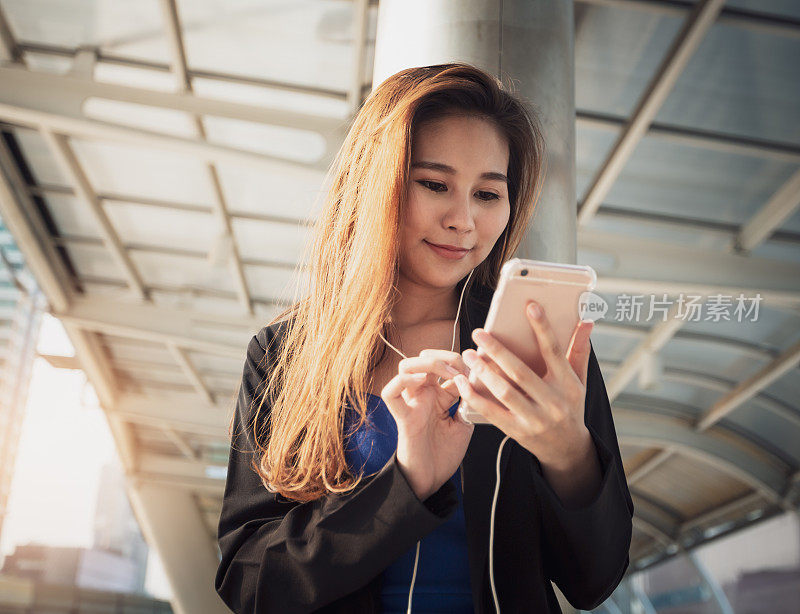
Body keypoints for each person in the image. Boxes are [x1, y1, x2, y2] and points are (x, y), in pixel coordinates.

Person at [214, 62, 634, 614]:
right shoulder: (286, 354)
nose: (464, 220)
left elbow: (594, 581)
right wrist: (405, 485)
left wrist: (570, 455)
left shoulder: (540, 348)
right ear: (375, 184)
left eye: (488, 194)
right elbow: (250, 583)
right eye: (435, 184)